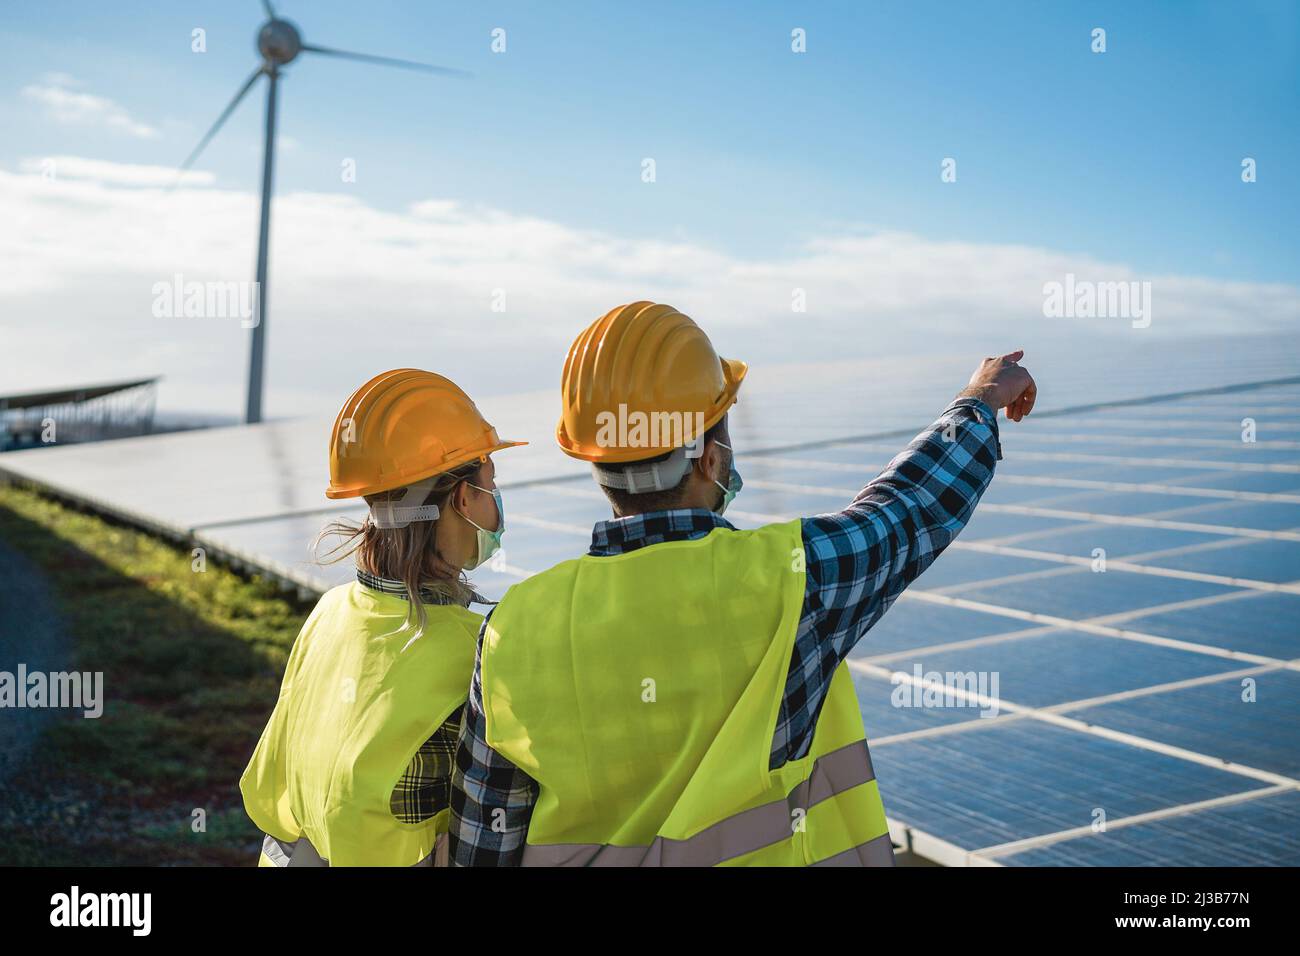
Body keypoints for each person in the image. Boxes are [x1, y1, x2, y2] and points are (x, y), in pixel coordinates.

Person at [450, 301, 1036, 866]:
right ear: (708, 455)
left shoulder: (513, 627)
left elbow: (485, 836)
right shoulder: (794, 578)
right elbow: (909, 507)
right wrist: (979, 399)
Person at [240, 368, 525, 866]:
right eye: (490, 483)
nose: (496, 501)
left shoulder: (330, 612)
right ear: (463, 499)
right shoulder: (480, 649)